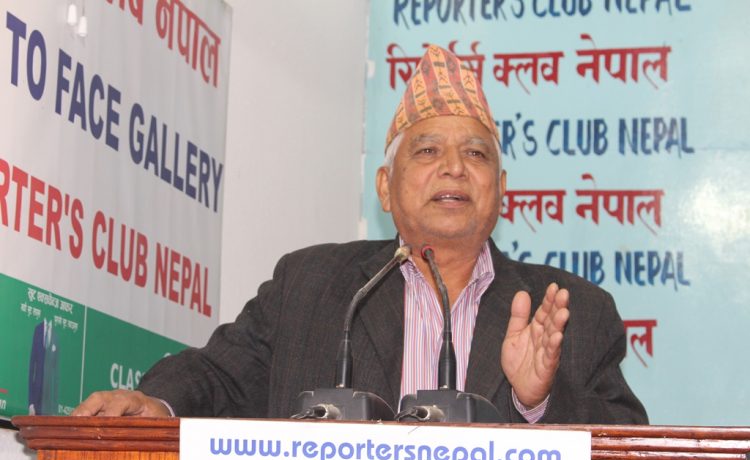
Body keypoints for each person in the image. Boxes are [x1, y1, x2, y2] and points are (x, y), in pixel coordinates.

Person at [72, 45, 647, 424]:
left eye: (475, 154)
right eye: (428, 151)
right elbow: (219, 376)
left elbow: (628, 451)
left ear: (500, 191)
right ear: (385, 188)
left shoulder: (571, 312)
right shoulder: (310, 286)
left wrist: (537, 399)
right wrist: (156, 402)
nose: (453, 168)